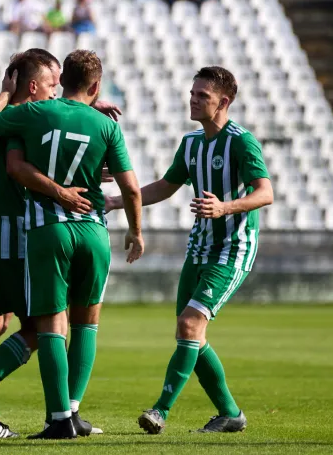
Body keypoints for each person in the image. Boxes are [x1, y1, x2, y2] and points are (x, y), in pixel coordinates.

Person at [0, 49, 144, 440]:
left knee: (5, 326)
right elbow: (130, 187)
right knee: (78, 323)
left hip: (28, 232)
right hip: (86, 229)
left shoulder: (29, 117)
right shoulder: (102, 125)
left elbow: (8, 160)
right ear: (93, 85)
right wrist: (136, 231)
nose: (54, 87)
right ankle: (64, 411)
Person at [107, 66, 273, 435]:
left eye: (203, 96)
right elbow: (167, 186)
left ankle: (160, 410)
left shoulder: (242, 141)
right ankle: (230, 414)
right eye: (193, 93)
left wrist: (225, 207)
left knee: (189, 324)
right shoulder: (192, 143)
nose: (193, 100)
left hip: (233, 249)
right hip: (198, 249)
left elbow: (265, 193)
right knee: (191, 336)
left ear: (224, 102)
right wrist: (118, 202)